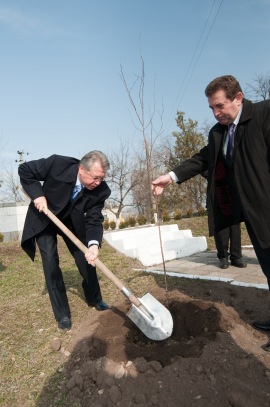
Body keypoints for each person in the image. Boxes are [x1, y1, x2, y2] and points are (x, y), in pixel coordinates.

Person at [152, 75, 270, 340]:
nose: (216, 113)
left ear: (238, 99)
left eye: (220, 106)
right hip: (254, 217)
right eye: (212, 109)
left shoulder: (263, 114)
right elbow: (202, 159)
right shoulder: (218, 133)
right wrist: (170, 177)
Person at [19, 150, 111, 331]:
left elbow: (94, 218)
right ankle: (62, 314)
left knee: (86, 258)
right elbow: (25, 169)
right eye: (95, 178)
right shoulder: (58, 164)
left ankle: (95, 298)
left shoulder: (100, 190)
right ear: (81, 169)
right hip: (45, 217)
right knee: (51, 263)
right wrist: (38, 195)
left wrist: (93, 245)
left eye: (101, 178)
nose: (98, 183)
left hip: (71, 222)